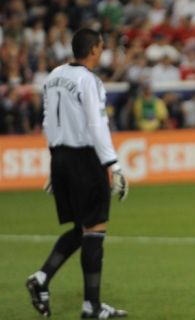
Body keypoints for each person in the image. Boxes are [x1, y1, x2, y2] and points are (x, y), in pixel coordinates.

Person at [25, 28, 129, 319]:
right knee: (95, 229)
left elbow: (47, 121)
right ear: (95, 48)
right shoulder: (89, 80)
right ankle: (91, 307)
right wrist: (113, 164)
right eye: (101, 46)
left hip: (60, 156)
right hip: (85, 158)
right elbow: (97, 126)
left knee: (80, 228)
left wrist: (54, 160)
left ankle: (42, 279)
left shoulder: (54, 76)